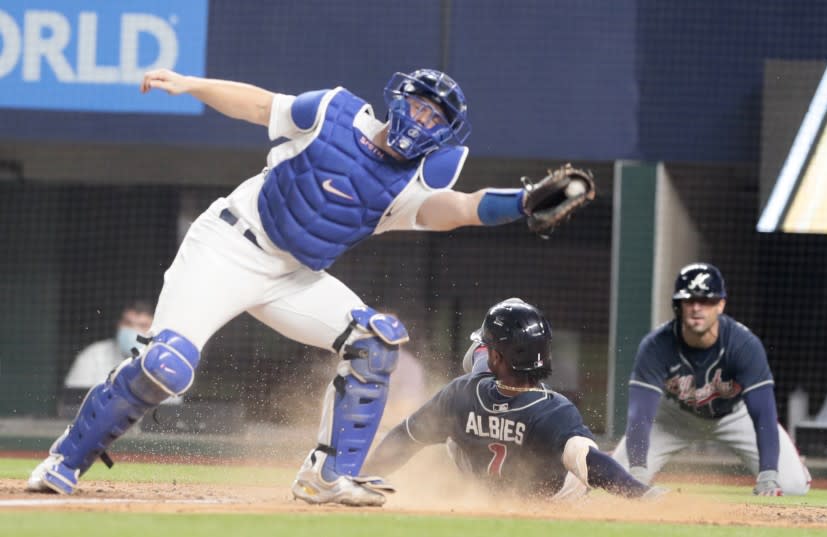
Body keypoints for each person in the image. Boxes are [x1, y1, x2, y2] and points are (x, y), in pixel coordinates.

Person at [27, 68, 592, 506]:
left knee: (375, 342)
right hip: (228, 247)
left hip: (294, 276)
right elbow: (256, 103)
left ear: (446, 134)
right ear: (399, 98)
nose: (422, 118)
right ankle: (65, 459)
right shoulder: (333, 113)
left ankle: (329, 475)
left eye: (436, 115)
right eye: (419, 103)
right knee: (166, 366)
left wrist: (520, 204)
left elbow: (465, 207)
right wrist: (188, 84)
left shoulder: (410, 187)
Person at [365, 298, 664, 501]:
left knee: (450, 427)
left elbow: (405, 437)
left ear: (495, 356)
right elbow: (592, 463)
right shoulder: (554, 410)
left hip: (484, 485)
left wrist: (366, 475)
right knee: (575, 453)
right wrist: (641, 494)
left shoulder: (460, 392)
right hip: (553, 497)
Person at [612, 262, 811, 496]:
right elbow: (641, 414)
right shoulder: (656, 345)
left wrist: (768, 474)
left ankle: (797, 469)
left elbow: (763, 413)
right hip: (674, 418)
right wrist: (637, 471)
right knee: (620, 482)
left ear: (720, 305)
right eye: (689, 301)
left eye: (706, 301)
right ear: (678, 305)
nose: (697, 308)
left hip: (734, 416)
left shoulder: (743, 344)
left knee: (792, 487)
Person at [63, 301, 154, 391]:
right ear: (118, 324)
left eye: (143, 325)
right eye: (128, 323)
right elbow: (72, 401)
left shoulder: (160, 358)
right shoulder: (94, 355)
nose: (134, 330)